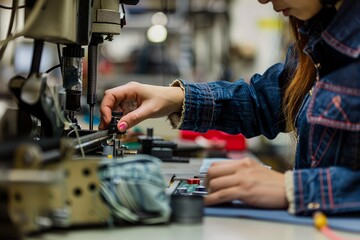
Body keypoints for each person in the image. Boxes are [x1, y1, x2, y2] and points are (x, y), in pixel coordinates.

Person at [99, 0, 360, 215]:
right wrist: (177, 98)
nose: (262, 0)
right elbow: (265, 103)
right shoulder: (318, 38)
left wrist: (293, 189)